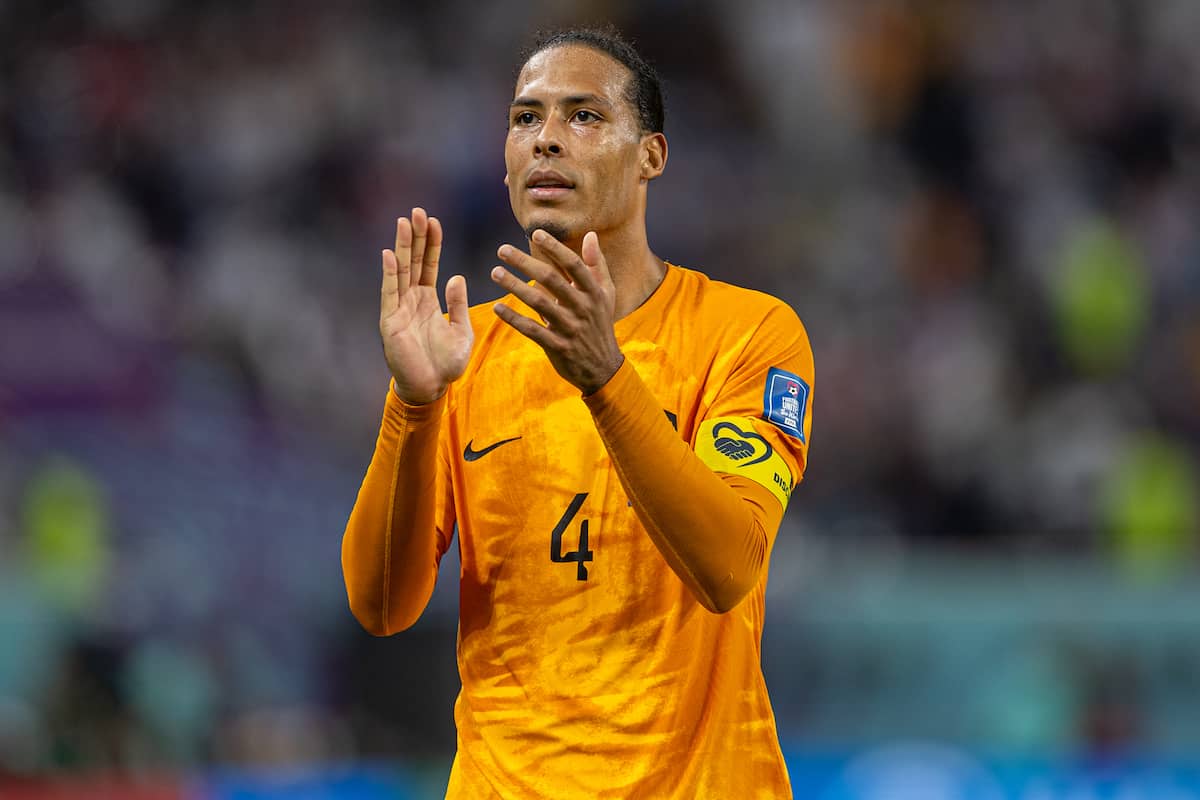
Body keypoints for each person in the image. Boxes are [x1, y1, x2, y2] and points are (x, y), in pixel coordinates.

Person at [342, 25, 814, 799]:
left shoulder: (748, 334)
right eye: (526, 119)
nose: (546, 140)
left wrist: (606, 380)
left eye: (583, 116)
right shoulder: (466, 352)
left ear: (651, 156)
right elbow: (382, 606)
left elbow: (729, 568)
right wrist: (414, 405)